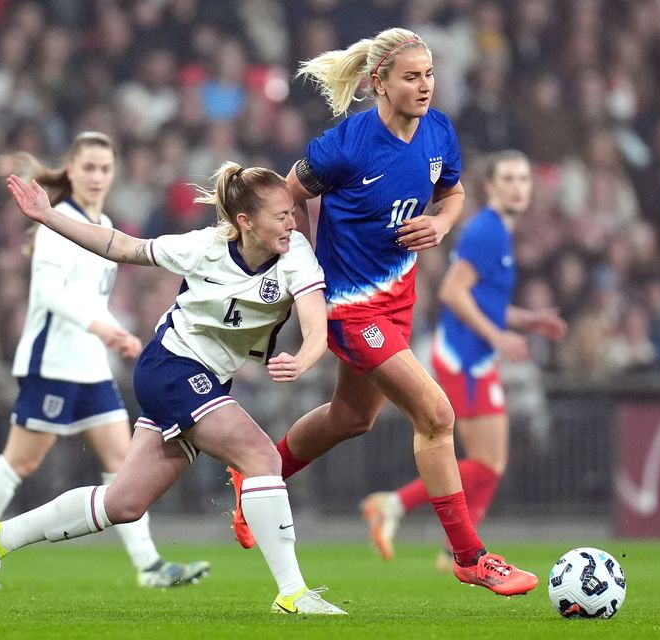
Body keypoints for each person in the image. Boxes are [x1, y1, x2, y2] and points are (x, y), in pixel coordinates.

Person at [0, 162, 346, 616]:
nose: (292, 222)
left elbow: (317, 323)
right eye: (280, 215)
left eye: (292, 213)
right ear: (245, 222)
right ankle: (293, 594)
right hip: (171, 366)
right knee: (263, 457)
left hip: (207, 379)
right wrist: (47, 216)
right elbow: (122, 246)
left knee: (123, 503)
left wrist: (303, 359)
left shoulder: (294, 250)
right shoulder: (205, 247)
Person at [229, 28, 538, 596]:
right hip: (348, 307)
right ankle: (471, 558)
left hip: (398, 304)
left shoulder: (439, 132)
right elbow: (285, 198)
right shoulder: (345, 146)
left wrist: (441, 225)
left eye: (429, 75)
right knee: (437, 416)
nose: (425, 86)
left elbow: (454, 193)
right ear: (379, 83)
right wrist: (280, 267)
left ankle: (256, 476)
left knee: (352, 418)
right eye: (412, 77)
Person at [0, 132, 209, 590]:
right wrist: (103, 328)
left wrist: (116, 333)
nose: (97, 176)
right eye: (88, 167)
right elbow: (49, 293)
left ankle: (148, 566)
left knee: (122, 463)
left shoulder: (100, 222)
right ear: (71, 171)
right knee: (19, 462)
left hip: (90, 366)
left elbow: (89, 297)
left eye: (105, 168)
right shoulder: (58, 221)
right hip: (53, 362)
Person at [361, 150, 567, 565]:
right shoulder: (487, 231)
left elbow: (481, 300)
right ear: (489, 187)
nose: (517, 187)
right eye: (507, 178)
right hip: (463, 359)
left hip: (474, 357)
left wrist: (528, 320)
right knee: (487, 464)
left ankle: (450, 547)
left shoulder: (497, 232)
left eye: (523, 179)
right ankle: (397, 508)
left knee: (489, 464)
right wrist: (499, 336)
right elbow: (452, 292)